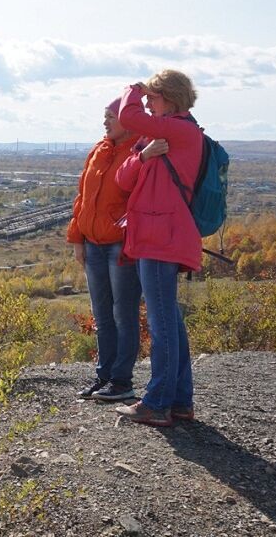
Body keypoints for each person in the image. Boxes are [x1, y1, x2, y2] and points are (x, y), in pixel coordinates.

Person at [112, 70, 203, 427]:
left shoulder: (183, 130)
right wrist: (144, 156)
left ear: (171, 97)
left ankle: (158, 402)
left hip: (162, 238)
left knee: (162, 322)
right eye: (147, 96)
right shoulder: (159, 136)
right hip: (152, 236)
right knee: (170, 322)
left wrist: (133, 88)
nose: (148, 103)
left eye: (153, 97)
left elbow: (127, 117)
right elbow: (123, 179)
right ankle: (179, 401)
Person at [68, 97, 142, 402]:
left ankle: (122, 382)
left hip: (121, 246)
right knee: (102, 313)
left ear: (129, 117)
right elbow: (82, 197)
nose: (105, 122)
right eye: (105, 117)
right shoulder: (98, 151)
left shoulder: (140, 151)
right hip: (93, 245)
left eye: (112, 116)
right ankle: (104, 376)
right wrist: (76, 237)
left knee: (123, 313)